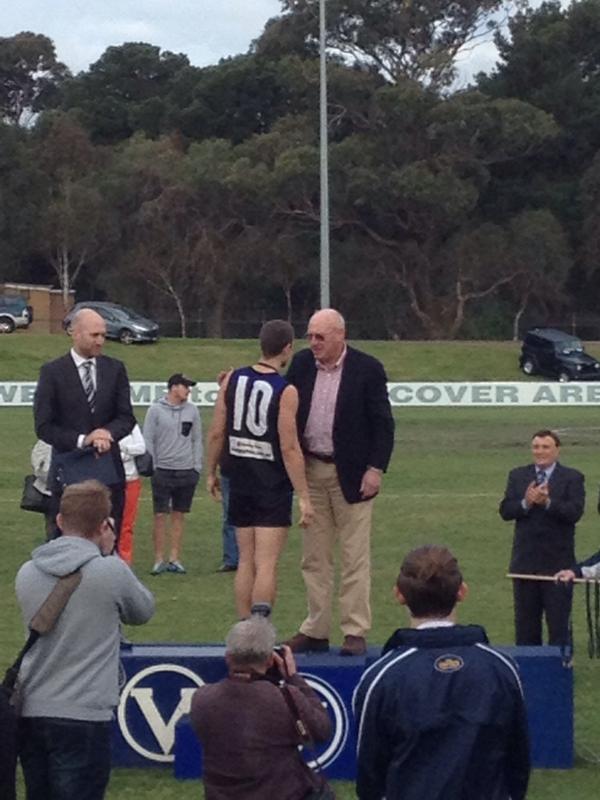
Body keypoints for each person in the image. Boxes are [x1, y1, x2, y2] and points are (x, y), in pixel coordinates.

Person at [353, 545, 530, 800]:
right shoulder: (501, 668)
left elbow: (370, 775)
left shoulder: (382, 677)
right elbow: (518, 763)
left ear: (398, 594)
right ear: (462, 591)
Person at [15, 480, 155, 800]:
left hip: (33, 708)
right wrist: (110, 553)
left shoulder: (27, 571)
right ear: (104, 524)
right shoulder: (110, 572)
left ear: (60, 521)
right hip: (84, 711)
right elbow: (142, 610)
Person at [285, 309, 395, 655]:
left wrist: (375, 468)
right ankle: (315, 629)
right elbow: (283, 408)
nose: (313, 343)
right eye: (310, 336)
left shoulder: (368, 369)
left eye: (320, 336)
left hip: (352, 476)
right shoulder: (301, 365)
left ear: (340, 335)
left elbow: (383, 424)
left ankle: (354, 630)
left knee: (354, 556)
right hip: (310, 474)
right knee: (314, 558)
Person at [206, 320, 313, 618]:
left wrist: (211, 471)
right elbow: (289, 447)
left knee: (245, 560)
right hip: (271, 484)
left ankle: (243, 627)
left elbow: (216, 431)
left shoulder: (232, 380)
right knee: (266, 564)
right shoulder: (285, 390)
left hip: (238, 478)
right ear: (288, 348)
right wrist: (304, 495)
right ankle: (260, 628)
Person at [190, 616, 332, 800]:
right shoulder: (285, 698)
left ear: (228, 658)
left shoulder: (202, 699)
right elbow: (322, 730)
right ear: (270, 661)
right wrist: (294, 678)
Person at [33, 308, 135, 540]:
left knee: (108, 543)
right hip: (68, 473)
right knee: (64, 543)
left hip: (109, 472)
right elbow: (44, 426)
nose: (101, 341)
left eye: (103, 335)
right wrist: (83, 440)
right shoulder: (53, 372)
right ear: (75, 333)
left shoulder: (115, 369)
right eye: (94, 335)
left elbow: (126, 417)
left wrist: (106, 433)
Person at [499, 429, 585, 646]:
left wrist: (547, 502)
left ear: (557, 450)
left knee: (558, 624)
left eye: (545, 447)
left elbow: (574, 513)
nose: (540, 451)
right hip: (525, 564)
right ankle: (529, 672)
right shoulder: (518, 475)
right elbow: (506, 511)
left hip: (558, 565)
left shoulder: (572, 478)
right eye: (536, 447)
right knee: (526, 625)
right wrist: (526, 503)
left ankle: (560, 670)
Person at [143, 373, 202, 575]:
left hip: (186, 470)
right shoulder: (155, 411)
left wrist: (196, 466)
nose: (188, 390)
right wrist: (153, 466)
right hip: (163, 470)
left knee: (179, 515)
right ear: (174, 387)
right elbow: (148, 439)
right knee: (160, 515)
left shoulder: (192, 411)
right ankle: (158, 559)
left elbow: (196, 439)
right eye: (186, 386)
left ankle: (175, 558)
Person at [118, 422, 147, 566]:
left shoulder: (131, 426)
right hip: (110, 480)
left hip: (131, 480)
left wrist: (123, 450)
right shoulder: (102, 424)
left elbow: (141, 448)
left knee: (127, 523)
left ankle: (125, 560)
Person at [30, 439, 54, 540]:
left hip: (79, 496)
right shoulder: (48, 437)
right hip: (51, 495)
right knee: (53, 532)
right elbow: (37, 465)